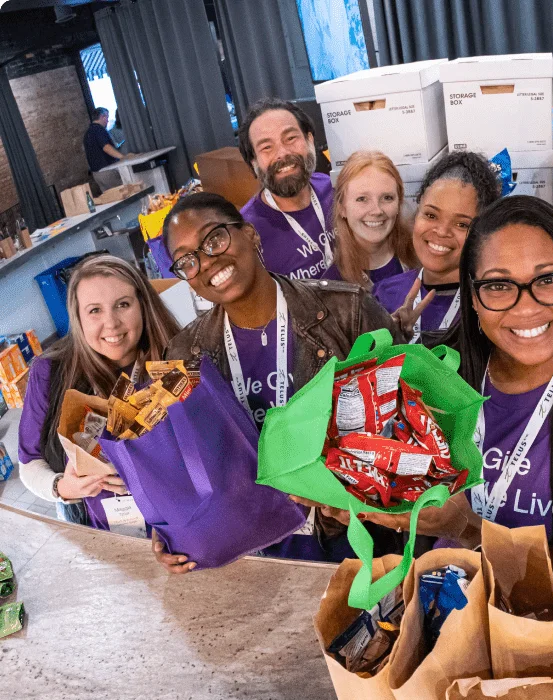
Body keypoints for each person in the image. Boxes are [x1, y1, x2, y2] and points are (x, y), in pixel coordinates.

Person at [328, 195, 553, 547]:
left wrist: (466, 526)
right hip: (437, 592)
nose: (526, 306)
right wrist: (347, 496)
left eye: (548, 279)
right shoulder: (432, 378)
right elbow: (393, 504)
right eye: (499, 286)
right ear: (472, 297)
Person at [156, 192, 402, 571]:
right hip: (251, 554)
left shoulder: (346, 312)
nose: (207, 262)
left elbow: (410, 427)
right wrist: (171, 527)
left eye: (214, 239)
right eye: (188, 260)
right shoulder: (184, 353)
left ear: (251, 235)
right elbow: (181, 462)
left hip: (353, 544)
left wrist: (356, 489)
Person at [18, 254, 180, 532]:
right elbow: (29, 462)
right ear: (78, 318)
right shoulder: (51, 372)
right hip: (100, 530)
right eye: (94, 310)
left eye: (123, 305)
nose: (112, 323)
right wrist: (63, 487)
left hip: (178, 521)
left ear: (143, 306)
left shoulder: (176, 364)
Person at [376, 151, 501, 344]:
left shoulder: (491, 306)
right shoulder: (383, 295)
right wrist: (388, 341)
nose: (442, 232)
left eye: (461, 224)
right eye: (431, 215)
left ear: (481, 231)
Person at [237, 98, 339, 282]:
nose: (282, 153)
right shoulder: (246, 233)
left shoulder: (334, 190)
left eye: (290, 138)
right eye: (267, 147)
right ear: (253, 162)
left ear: (309, 139)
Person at [332, 150, 418, 298]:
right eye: (362, 199)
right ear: (342, 208)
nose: (376, 210)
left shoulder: (420, 256)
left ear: (399, 203)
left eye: (387, 197)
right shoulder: (332, 287)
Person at [84, 107, 125, 174]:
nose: (108, 120)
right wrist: (123, 157)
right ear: (102, 117)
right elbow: (106, 147)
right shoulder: (99, 130)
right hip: (106, 170)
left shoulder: (88, 132)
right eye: (107, 117)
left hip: (96, 173)